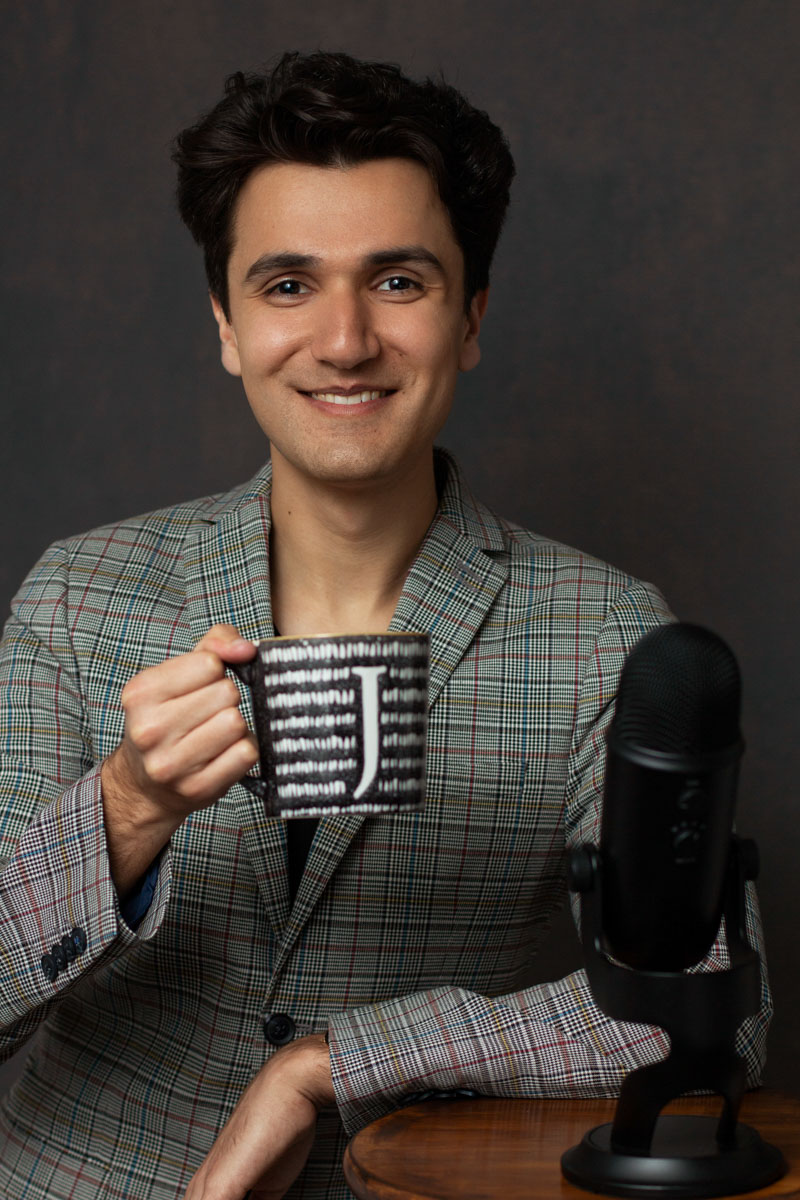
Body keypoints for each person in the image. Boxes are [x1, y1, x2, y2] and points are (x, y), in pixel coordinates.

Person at [0, 51, 770, 1200]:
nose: (347, 340)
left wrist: (330, 1066)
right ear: (224, 323)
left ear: (469, 317)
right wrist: (126, 808)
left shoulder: (604, 636)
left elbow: (712, 1016)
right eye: (287, 285)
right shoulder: (79, 594)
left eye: (398, 282)